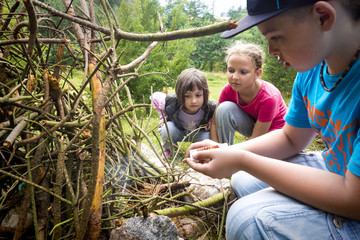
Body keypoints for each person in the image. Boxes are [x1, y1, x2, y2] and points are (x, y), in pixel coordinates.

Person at [184, 0, 360, 239]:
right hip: (337, 166)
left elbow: (354, 199)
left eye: (275, 37)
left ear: (323, 17)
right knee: (242, 179)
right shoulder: (311, 71)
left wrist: (242, 158)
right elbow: (291, 138)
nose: (270, 52)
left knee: (245, 221)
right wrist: (228, 151)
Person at [211, 40, 287, 144]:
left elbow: (257, 138)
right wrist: (214, 148)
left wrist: (232, 155)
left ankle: (227, 156)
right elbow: (214, 123)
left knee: (258, 157)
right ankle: (223, 149)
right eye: (231, 70)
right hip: (255, 126)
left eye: (243, 72)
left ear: (257, 73)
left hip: (275, 135)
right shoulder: (228, 89)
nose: (235, 77)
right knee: (224, 108)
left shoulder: (269, 98)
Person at [152, 68, 217, 157]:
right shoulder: (172, 102)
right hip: (178, 131)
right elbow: (154, 97)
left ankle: (199, 153)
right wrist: (163, 116)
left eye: (198, 95)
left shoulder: (210, 107)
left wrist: (210, 123)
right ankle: (170, 151)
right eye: (187, 96)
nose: (193, 101)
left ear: (205, 94)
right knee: (166, 129)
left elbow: (216, 113)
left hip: (198, 133)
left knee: (208, 137)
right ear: (180, 95)